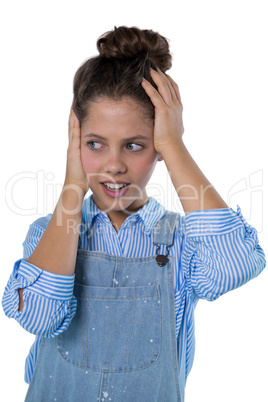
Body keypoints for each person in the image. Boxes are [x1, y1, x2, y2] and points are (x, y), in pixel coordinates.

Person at [1, 25, 266, 402]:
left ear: (157, 147)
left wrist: (174, 144)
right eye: (95, 144)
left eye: (134, 145)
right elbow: (40, 317)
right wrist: (72, 187)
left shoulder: (182, 242)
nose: (114, 165)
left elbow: (234, 265)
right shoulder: (49, 233)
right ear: (75, 141)